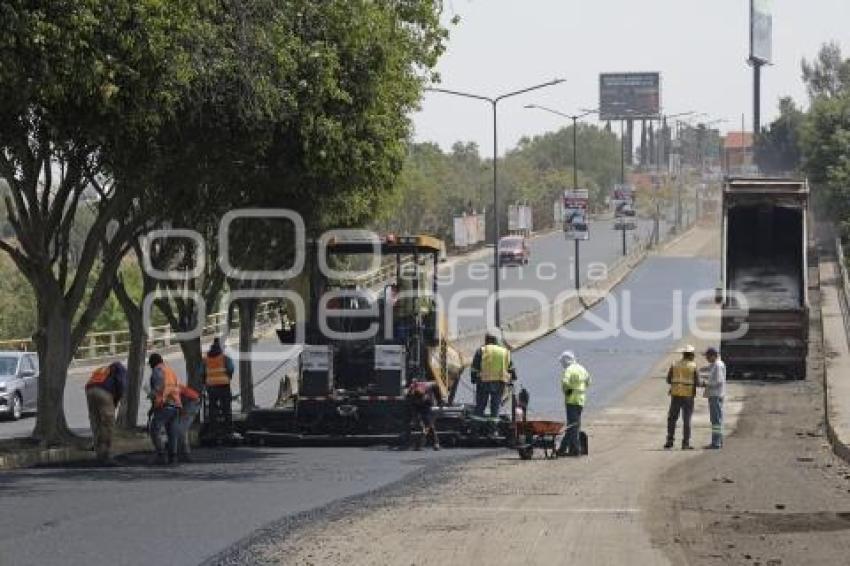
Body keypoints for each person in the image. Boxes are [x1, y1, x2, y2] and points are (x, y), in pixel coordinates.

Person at [85, 362, 128, 465]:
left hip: (89, 390)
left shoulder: (103, 370)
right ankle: (105, 455)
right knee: (108, 424)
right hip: (104, 392)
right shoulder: (120, 368)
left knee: (95, 421)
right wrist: (118, 400)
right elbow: (121, 383)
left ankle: (97, 451)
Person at [471, 330, 516, 417]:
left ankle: (476, 428)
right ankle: (494, 429)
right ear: (496, 340)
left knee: (480, 406)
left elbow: (474, 368)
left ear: (486, 339)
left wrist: (473, 379)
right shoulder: (504, 352)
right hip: (499, 383)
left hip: (483, 383)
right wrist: (513, 378)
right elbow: (511, 368)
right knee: (495, 407)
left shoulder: (481, 350)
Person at [148, 353, 182, 465]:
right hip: (175, 405)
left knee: (154, 430)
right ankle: (173, 457)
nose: (150, 367)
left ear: (153, 363)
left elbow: (158, 389)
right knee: (172, 433)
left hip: (165, 405)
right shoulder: (170, 371)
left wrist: (150, 395)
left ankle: (161, 455)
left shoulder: (157, 371)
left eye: (150, 364)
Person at [665, 345, 699, 450]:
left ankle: (669, 441)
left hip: (675, 395)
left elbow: (668, 380)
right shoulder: (693, 366)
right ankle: (685, 444)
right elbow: (697, 382)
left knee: (672, 419)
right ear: (691, 355)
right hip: (688, 396)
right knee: (686, 420)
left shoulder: (674, 364)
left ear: (683, 354)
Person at [557, 351, 591, 457]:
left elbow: (565, 382)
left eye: (562, 361)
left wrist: (567, 391)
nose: (562, 364)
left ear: (566, 361)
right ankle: (563, 449)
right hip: (581, 400)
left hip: (571, 400)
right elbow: (589, 381)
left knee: (572, 425)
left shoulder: (569, 370)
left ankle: (576, 449)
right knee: (574, 424)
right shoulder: (582, 368)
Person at [200, 337, 235, 441]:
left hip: (211, 387)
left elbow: (201, 373)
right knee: (226, 409)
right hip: (224, 385)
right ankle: (228, 431)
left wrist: (205, 382)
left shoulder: (205, 359)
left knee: (212, 409)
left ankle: (213, 431)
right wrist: (228, 376)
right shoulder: (225, 358)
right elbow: (231, 368)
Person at [405, 379, 443, 451]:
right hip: (414, 405)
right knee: (417, 422)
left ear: (425, 395)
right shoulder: (410, 394)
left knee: (428, 423)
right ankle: (414, 441)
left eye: (422, 399)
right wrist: (417, 421)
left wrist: (439, 400)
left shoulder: (428, 386)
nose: (420, 401)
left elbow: (436, 385)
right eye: (419, 400)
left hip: (426, 404)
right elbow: (410, 406)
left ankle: (435, 443)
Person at [703, 347, 726, 449]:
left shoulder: (717, 365)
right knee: (717, 419)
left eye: (708, 356)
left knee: (716, 420)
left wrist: (706, 383)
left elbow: (718, 381)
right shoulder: (716, 365)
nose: (706, 358)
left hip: (715, 395)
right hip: (716, 395)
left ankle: (716, 443)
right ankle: (718, 441)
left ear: (713, 355)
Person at [175, 383, 202, 462]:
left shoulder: (170, 389)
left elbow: (178, 401)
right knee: (181, 428)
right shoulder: (169, 385)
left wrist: (182, 412)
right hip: (191, 401)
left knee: (182, 429)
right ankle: (183, 453)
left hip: (192, 402)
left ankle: (185, 454)